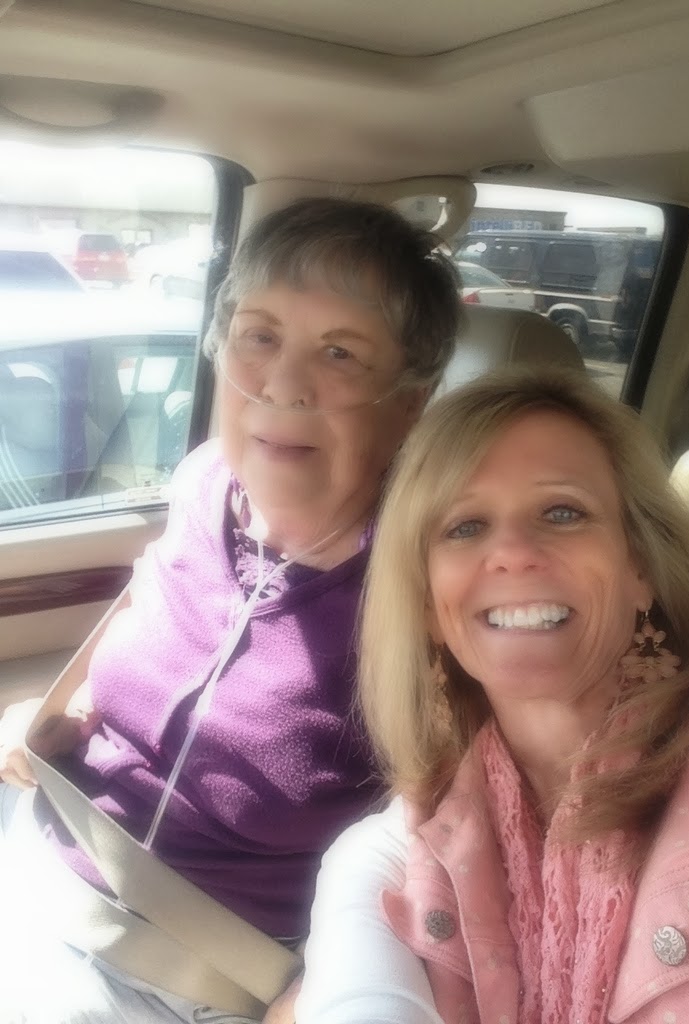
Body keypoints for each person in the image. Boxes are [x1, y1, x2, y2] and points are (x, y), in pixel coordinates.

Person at [0, 196, 462, 1024]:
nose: (282, 383)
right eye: (259, 336)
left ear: (410, 400)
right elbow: (154, 642)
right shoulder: (206, 480)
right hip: (38, 854)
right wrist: (49, 715)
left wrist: (335, 972)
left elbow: (442, 836)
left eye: (340, 353)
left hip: (190, 978)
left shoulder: (424, 587)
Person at [294, 369, 689, 1024]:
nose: (514, 553)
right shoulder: (389, 860)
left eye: (563, 513)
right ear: (429, 606)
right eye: (464, 527)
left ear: (639, 569)